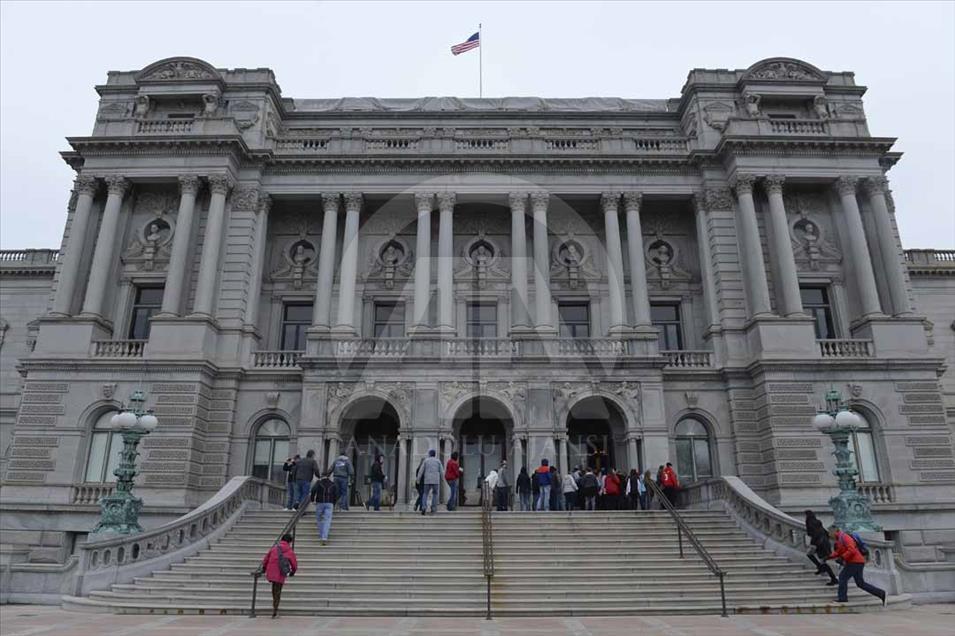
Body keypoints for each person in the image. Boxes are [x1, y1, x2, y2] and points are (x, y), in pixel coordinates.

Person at [828, 525, 886, 605]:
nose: (829, 535)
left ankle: (842, 598)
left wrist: (842, 557)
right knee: (860, 583)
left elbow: (851, 549)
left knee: (842, 577)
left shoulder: (844, 537)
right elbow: (838, 551)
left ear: (834, 531)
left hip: (854, 562)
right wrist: (829, 557)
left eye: (829, 533)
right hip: (857, 562)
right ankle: (881, 593)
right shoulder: (839, 539)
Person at [260, 533, 297, 618]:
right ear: (289, 542)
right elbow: (294, 562)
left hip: (271, 571)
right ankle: (275, 610)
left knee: (274, 589)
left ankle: (275, 607)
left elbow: (266, 558)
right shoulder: (289, 550)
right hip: (280, 572)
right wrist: (293, 571)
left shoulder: (275, 548)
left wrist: (264, 568)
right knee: (278, 590)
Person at [804, 510, 838, 586]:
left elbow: (814, 534)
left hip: (819, 544)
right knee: (819, 559)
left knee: (818, 558)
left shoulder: (810, 523)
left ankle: (833, 578)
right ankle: (821, 568)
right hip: (824, 543)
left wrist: (813, 544)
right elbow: (825, 532)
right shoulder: (818, 522)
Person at [310, 473, 338, 545]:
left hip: (320, 502)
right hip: (330, 503)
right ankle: (324, 536)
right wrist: (334, 503)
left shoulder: (319, 483)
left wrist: (312, 499)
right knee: (327, 520)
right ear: (328, 477)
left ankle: (321, 533)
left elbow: (313, 490)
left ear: (321, 476)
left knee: (319, 518)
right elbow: (336, 494)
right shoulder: (332, 484)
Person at [416, 449, 444, 515]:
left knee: (425, 493)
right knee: (435, 494)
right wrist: (443, 479)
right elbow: (442, 471)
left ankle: (424, 507)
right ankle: (433, 508)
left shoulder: (426, 461)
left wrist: (418, 479)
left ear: (429, 454)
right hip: (435, 480)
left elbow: (421, 471)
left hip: (427, 480)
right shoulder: (438, 461)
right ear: (434, 455)